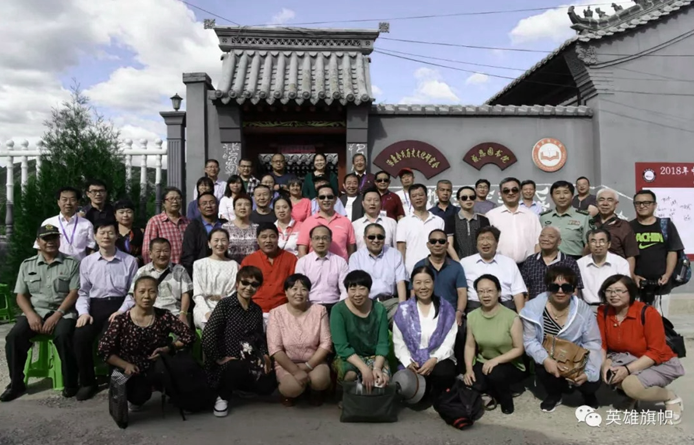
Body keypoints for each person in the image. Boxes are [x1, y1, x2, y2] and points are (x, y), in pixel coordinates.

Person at [2, 225, 80, 402]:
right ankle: (16, 384)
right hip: (36, 311)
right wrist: (30, 315)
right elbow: (20, 295)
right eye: (46, 238)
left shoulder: (71, 263)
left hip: (63, 312)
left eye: (54, 237)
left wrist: (57, 315)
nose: (50, 241)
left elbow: (74, 292)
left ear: (59, 240)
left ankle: (71, 383)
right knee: (14, 337)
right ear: (38, 241)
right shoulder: (27, 264)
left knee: (64, 336)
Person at [98, 276, 195, 411]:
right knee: (138, 396)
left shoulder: (163, 316)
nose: (147, 296)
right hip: (133, 370)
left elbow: (189, 335)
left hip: (158, 366)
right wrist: (125, 365)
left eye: (152, 291)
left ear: (157, 294)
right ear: (134, 295)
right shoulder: (121, 321)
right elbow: (103, 350)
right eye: (142, 291)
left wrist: (169, 348)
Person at [597, 275, 684, 424]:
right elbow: (602, 344)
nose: (613, 295)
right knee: (609, 373)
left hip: (658, 362)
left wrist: (627, 370)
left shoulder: (648, 313)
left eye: (619, 291)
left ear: (630, 292)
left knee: (631, 385)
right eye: (609, 290)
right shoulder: (603, 312)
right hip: (625, 357)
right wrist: (604, 364)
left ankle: (670, 397)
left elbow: (655, 352)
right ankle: (634, 396)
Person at [520, 266, 603, 412]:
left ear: (574, 289)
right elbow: (530, 341)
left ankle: (588, 394)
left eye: (566, 287)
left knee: (591, 381)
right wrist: (546, 360)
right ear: (547, 287)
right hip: (548, 355)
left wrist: (588, 372)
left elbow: (592, 342)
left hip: (576, 357)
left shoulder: (583, 310)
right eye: (554, 287)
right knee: (542, 368)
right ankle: (554, 394)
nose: (560, 291)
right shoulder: (533, 308)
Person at [73, 220, 139, 401]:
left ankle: (115, 381)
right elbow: (83, 292)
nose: (106, 236)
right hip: (95, 306)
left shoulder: (129, 260)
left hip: (120, 305)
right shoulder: (87, 262)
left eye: (110, 232)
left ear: (117, 236)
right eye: (102, 233)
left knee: (111, 337)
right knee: (80, 336)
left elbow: (132, 292)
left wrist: (121, 311)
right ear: (95, 236)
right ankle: (88, 382)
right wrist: (84, 312)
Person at [201, 266, 276, 418]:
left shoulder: (256, 309)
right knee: (235, 367)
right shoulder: (225, 305)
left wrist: (264, 355)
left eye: (254, 284)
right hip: (227, 362)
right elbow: (208, 334)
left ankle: (241, 388)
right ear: (237, 283)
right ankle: (223, 396)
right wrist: (218, 358)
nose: (249, 288)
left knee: (269, 384)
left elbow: (259, 337)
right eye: (245, 283)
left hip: (249, 359)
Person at [462, 274, 525, 414]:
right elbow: (470, 345)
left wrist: (495, 361)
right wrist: (468, 369)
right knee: (471, 382)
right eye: (481, 291)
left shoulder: (511, 317)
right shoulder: (472, 316)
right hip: (483, 361)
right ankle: (492, 391)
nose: (485, 295)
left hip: (509, 363)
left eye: (490, 291)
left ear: (499, 292)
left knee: (495, 374)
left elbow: (519, 348)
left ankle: (506, 400)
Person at [267, 274, 332, 406]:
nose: (299, 293)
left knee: (320, 380)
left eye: (303, 289)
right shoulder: (276, 313)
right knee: (292, 388)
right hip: (287, 363)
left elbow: (326, 343)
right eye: (294, 289)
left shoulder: (319, 310)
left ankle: (314, 390)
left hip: (314, 361)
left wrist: (308, 366)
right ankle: (290, 393)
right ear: (286, 292)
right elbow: (275, 349)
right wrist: (296, 371)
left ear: (309, 292)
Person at [393, 266, 458, 399]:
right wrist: (408, 362)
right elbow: (399, 342)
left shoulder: (446, 308)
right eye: (418, 283)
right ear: (412, 285)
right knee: (408, 386)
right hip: (413, 362)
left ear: (433, 283)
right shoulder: (403, 310)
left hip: (438, 360)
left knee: (443, 373)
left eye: (427, 282)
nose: (423, 287)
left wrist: (434, 360)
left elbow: (449, 342)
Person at [330, 270, 391, 390]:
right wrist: (364, 369)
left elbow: (383, 343)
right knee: (350, 375)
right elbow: (342, 347)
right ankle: (345, 397)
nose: (357, 294)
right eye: (352, 289)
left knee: (382, 379)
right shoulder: (338, 310)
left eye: (362, 289)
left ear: (369, 289)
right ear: (347, 290)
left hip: (374, 357)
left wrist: (377, 368)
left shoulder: (379, 309)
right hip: (348, 357)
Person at [629, 189, 684, 317]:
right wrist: (632, 276)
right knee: (637, 321)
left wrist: (667, 275)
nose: (642, 206)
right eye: (638, 203)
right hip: (636, 286)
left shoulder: (665, 225)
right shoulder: (629, 227)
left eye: (647, 202)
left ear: (654, 205)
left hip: (661, 285)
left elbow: (672, 251)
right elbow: (627, 255)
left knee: (659, 321)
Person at [125, 237, 193, 326]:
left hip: (174, 314)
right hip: (148, 315)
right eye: (158, 251)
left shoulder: (180, 270)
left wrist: (183, 314)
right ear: (150, 254)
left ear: (170, 252)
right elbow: (133, 295)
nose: (162, 254)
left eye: (166, 251)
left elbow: (186, 294)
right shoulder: (142, 271)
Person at [460, 226, 527, 313]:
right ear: (476, 243)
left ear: (497, 242)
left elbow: (518, 293)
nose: (485, 243)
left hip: (505, 307)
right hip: (475, 308)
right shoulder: (465, 263)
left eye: (489, 239)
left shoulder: (509, 263)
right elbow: (460, 291)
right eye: (481, 239)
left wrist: (521, 317)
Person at [241, 223, 298, 323]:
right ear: (257, 240)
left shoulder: (291, 259)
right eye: (264, 237)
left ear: (278, 238)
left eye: (272, 236)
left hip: (283, 312)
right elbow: (242, 289)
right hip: (255, 311)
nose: (268, 240)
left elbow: (295, 287)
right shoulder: (249, 261)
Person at [413, 229, 467, 326]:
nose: (437, 244)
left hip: (450, 315)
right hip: (425, 315)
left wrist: (459, 312)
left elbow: (462, 293)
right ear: (428, 245)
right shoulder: (419, 266)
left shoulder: (456, 267)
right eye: (433, 241)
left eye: (441, 241)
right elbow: (413, 292)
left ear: (447, 245)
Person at [397, 184, 453, 276]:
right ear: (410, 199)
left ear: (427, 197)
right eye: (414, 196)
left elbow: (444, 247)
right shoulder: (403, 222)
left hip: (436, 271)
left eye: (421, 195)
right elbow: (401, 248)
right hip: (411, 271)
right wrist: (401, 272)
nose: (418, 198)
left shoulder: (438, 220)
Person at [486, 177, 542, 264]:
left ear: (520, 192)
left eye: (514, 190)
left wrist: (537, 264)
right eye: (506, 191)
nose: (511, 193)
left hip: (528, 265)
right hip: (499, 264)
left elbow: (538, 242)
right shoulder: (491, 215)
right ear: (500, 193)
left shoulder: (531, 216)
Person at [192, 228, 239, 329]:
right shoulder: (199, 264)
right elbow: (198, 295)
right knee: (211, 327)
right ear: (209, 244)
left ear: (228, 243)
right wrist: (207, 313)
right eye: (216, 240)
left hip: (227, 308)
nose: (220, 244)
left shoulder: (234, 265)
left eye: (223, 240)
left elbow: (233, 293)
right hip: (204, 308)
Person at [349, 223, 408, 302]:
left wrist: (402, 305)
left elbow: (400, 282)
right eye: (371, 237)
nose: (376, 240)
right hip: (366, 303)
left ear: (384, 238)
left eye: (380, 237)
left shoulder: (395, 254)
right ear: (364, 238)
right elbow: (354, 285)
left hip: (390, 301)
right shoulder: (356, 258)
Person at [296, 226, 348, 314]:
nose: (321, 242)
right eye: (317, 238)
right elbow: (300, 288)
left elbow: (344, 289)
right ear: (311, 241)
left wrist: (339, 308)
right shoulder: (303, 262)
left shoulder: (340, 262)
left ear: (330, 240)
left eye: (325, 238)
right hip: (310, 306)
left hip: (335, 306)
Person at [521, 226, 583, 300]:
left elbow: (575, 289)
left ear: (559, 241)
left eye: (551, 236)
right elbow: (525, 289)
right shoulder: (530, 261)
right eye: (542, 236)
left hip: (561, 305)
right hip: (535, 305)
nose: (545, 239)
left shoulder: (569, 262)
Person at [297, 184, 356, 261]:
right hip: (314, 266)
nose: (326, 200)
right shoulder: (308, 222)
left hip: (340, 267)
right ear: (317, 200)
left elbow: (351, 249)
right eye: (322, 197)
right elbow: (302, 250)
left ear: (335, 199)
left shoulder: (346, 222)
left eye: (330, 197)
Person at [36, 186, 95, 261]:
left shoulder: (86, 224)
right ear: (58, 202)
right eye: (64, 199)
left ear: (77, 202)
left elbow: (91, 249)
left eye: (72, 200)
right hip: (55, 265)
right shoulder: (49, 223)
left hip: (79, 266)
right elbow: (40, 248)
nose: (68, 203)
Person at [577, 229, 631, 308]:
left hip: (613, 307)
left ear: (609, 244)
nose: (598, 245)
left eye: (602, 241)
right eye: (593, 241)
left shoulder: (621, 263)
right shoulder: (579, 264)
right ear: (588, 244)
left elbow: (626, 288)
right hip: (587, 307)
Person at [540, 180, 592, 260]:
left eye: (566, 192)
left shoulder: (584, 217)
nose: (562, 196)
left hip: (575, 259)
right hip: (548, 260)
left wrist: (583, 262)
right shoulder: (544, 217)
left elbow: (589, 244)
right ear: (552, 197)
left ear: (572, 195)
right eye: (557, 193)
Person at [592, 188, 639, 274]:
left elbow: (630, 255)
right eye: (601, 200)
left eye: (610, 200)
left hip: (616, 273)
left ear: (616, 204)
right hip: (592, 272)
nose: (605, 203)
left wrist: (627, 277)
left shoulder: (624, 226)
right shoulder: (589, 223)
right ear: (596, 203)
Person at [181, 191, 227, 277]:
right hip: (201, 273)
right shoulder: (193, 227)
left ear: (217, 205)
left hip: (224, 271)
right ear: (199, 208)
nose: (208, 206)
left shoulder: (226, 225)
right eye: (204, 203)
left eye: (212, 202)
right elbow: (188, 254)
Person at [142, 187, 190, 264]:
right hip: (163, 268)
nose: (175, 201)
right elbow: (147, 250)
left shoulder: (188, 222)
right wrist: (150, 269)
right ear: (164, 203)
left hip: (185, 268)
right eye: (171, 199)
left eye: (178, 198)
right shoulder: (155, 222)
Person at [453, 186, 490, 259]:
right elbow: (449, 245)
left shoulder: (484, 220)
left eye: (472, 197)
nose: (468, 199)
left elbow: (486, 242)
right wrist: (458, 263)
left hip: (480, 262)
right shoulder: (451, 220)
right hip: (457, 262)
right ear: (458, 200)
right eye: (464, 198)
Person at [221, 195, 258, 263]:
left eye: (246, 205)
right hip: (231, 266)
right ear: (234, 209)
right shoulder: (225, 227)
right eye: (239, 205)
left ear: (251, 209)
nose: (243, 207)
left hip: (252, 266)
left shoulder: (257, 228)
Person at [114, 199, 144, 266]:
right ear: (115, 215)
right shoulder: (111, 233)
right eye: (121, 212)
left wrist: (138, 259)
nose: (125, 215)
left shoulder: (140, 233)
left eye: (129, 212)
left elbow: (146, 251)